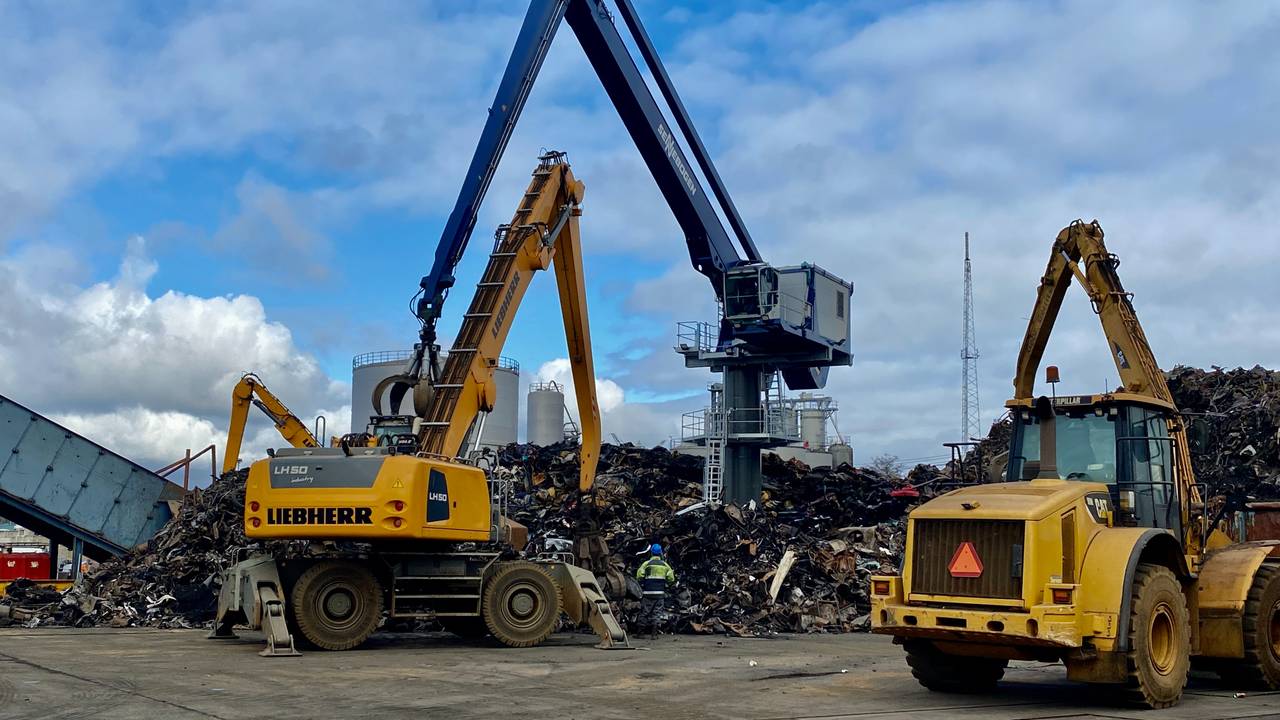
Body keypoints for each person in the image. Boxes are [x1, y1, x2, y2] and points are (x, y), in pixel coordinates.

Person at [636, 543, 676, 639]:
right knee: (657, 613)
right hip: (660, 594)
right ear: (660, 553)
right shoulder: (665, 565)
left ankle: (640, 633)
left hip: (648, 593)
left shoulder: (646, 564)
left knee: (645, 612)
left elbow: (639, 576)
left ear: (651, 553)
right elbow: (671, 579)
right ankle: (654, 634)